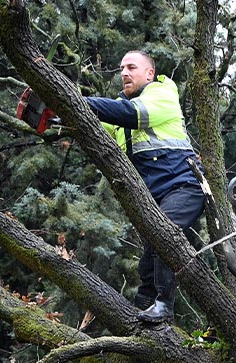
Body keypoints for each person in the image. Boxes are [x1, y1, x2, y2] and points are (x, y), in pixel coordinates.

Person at [85, 51, 205, 323]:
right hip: (155, 194)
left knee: (165, 233)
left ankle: (164, 305)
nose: (124, 73)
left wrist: (80, 101)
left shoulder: (162, 94)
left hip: (183, 185)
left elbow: (130, 114)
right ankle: (146, 306)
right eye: (121, 68)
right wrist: (59, 113)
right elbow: (92, 123)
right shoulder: (121, 108)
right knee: (150, 255)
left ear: (150, 73)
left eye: (131, 67)